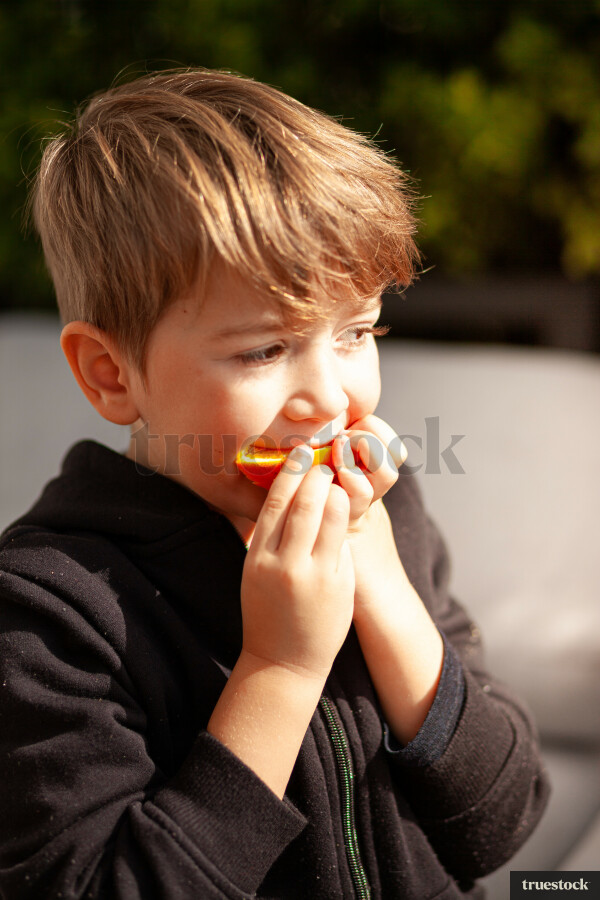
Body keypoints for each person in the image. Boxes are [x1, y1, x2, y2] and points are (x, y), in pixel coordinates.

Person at [0, 68, 548, 899]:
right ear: (112, 374)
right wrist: (280, 671)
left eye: (357, 330)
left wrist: (386, 590)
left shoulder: (386, 512)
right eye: (263, 350)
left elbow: (502, 822)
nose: (331, 397)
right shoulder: (50, 616)